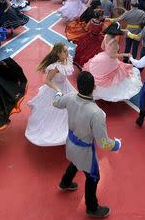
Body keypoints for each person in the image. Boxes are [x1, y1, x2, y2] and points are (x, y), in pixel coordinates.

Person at [53, 71, 122, 218]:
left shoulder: (70, 97)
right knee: (93, 177)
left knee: (74, 162)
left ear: (78, 86)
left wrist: (58, 93)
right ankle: (92, 207)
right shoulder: (97, 113)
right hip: (85, 151)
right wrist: (117, 144)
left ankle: (65, 183)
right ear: (94, 87)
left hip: (70, 143)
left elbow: (56, 102)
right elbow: (104, 143)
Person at [25, 42, 76, 146]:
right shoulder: (55, 67)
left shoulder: (67, 59)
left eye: (67, 50)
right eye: (65, 51)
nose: (68, 52)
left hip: (66, 87)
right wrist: (58, 90)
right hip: (56, 89)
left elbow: (52, 48)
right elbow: (47, 80)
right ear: (58, 54)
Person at [84, 23, 142, 102]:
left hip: (102, 57)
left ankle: (96, 92)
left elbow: (102, 47)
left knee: (98, 76)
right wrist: (126, 54)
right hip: (110, 61)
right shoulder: (114, 42)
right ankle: (111, 95)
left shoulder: (106, 35)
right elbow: (112, 55)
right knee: (115, 77)